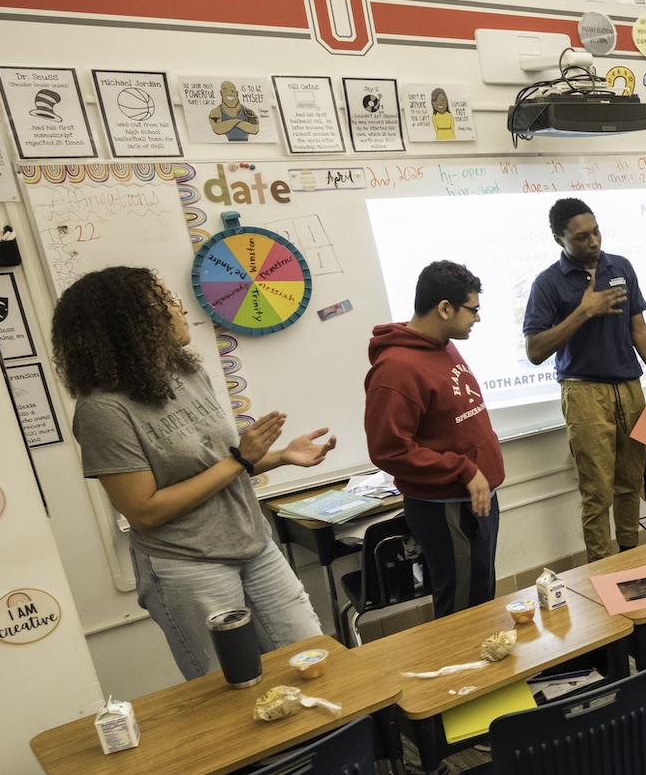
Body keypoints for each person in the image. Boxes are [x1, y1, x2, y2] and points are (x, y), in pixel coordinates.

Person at [53, 266, 334, 680]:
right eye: (163, 302)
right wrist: (240, 459)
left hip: (253, 544)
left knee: (311, 659)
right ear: (128, 324)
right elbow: (144, 511)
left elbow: (214, 466)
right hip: (188, 565)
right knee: (234, 686)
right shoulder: (103, 410)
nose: (180, 309)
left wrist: (278, 456)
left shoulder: (186, 373)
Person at [524, 197, 646, 562]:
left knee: (630, 482)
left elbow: (639, 330)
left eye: (596, 232)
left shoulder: (620, 267)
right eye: (581, 237)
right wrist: (583, 312)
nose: (593, 242)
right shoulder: (547, 284)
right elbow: (535, 350)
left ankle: (630, 555)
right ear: (558, 239)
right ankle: (600, 568)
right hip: (583, 391)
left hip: (629, 388)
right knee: (597, 491)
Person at [364, 260, 506, 617]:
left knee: (480, 596)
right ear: (445, 308)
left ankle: (486, 671)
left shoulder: (443, 344)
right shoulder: (396, 369)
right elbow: (389, 450)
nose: (477, 318)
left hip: (475, 497)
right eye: (473, 310)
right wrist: (462, 469)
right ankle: (462, 674)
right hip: (445, 506)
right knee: (460, 608)